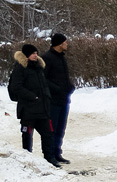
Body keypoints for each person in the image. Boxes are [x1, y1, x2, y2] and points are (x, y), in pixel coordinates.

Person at [8, 43, 58, 166]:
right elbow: (16, 87)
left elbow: (43, 86)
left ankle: (49, 158)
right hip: (28, 109)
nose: (35, 55)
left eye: (36, 53)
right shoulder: (20, 68)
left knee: (48, 134)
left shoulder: (39, 68)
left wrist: (48, 97)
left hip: (42, 108)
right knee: (27, 134)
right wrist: (32, 97)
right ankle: (27, 159)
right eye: (33, 54)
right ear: (26, 55)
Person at [41, 33, 74, 164]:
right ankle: (50, 155)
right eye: (65, 42)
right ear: (59, 44)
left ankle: (57, 152)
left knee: (61, 127)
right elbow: (44, 79)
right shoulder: (47, 58)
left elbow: (63, 77)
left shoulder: (61, 58)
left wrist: (70, 86)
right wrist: (57, 89)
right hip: (53, 100)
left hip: (64, 99)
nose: (67, 44)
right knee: (52, 128)